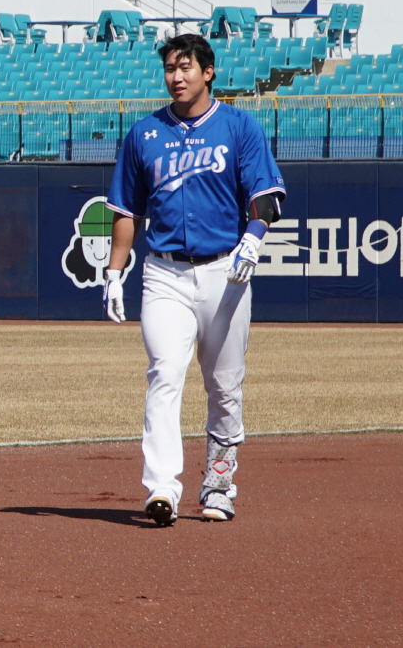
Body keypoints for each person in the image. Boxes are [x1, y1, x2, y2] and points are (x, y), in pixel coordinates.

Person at [102, 33, 284, 526]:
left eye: (185, 67)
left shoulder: (239, 126)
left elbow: (265, 197)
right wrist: (115, 273)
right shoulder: (144, 134)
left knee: (223, 385)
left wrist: (254, 238)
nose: (176, 77)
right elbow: (126, 211)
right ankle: (162, 487)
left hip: (225, 271)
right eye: (170, 68)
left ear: (208, 72)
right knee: (164, 373)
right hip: (164, 273)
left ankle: (219, 483)